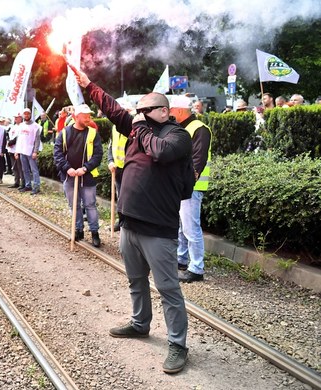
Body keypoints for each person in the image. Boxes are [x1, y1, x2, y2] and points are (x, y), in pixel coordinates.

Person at [71, 64, 195, 374]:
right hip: (131, 224)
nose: (136, 114)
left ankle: (178, 344)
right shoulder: (140, 128)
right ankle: (141, 324)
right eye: (136, 111)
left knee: (168, 289)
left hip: (158, 230)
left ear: (163, 112)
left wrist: (138, 126)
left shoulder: (176, 136)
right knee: (136, 281)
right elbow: (113, 110)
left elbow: (161, 154)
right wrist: (89, 85)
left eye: (144, 110)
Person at [169, 96, 212, 283]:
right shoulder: (182, 128)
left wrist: (187, 181)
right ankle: (181, 258)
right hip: (181, 184)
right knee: (181, 226)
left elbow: (198, 159)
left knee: (190, 227)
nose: (169, 114)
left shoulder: (200, 129)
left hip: (192, 186)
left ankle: (196, 268)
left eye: (171, 111)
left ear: (179, 111)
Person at [53, 103, 103, 247]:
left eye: (89, 116)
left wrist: (86, 168)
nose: (88, 119)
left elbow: (98, 155)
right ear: (76, 117)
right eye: (85, 116)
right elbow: (57, 153)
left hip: (87, 176)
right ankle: (78, 230)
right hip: (69, 176)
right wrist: (67, 168)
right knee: (74, 205)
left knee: (90, 205)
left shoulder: (93, 133)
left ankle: (95, 233)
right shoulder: (64, 133)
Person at [15, 108, 43, 195]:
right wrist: (17, 151)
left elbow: (37, 140)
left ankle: (36, 186)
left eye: (28, 114)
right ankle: (28, 185)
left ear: (30, 115)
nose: (26, 115)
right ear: (23, 115)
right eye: (25, 114)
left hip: (31, 151)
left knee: (34, 170)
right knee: (25, 169)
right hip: (22, 151)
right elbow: (19, 139)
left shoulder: (35, 126)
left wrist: (35, 151)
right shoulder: (21, 126)